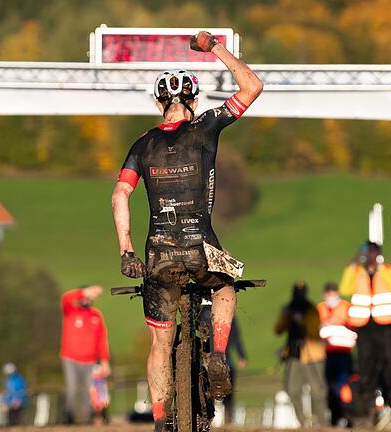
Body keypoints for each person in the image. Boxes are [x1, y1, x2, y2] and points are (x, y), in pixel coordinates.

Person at [111, 30, 263, 432]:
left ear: (159, 102)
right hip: (201, 248)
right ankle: (216, 352)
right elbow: (253, 86)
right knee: (226, 283)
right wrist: (213, 47)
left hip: (157, 255)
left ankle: (160, 421)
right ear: (193, 101)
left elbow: (119, 196)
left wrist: (127, 250)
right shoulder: (205, 127)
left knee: (160, 344)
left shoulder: (141, 145)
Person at [339, 241, 391, 427]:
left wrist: (381, 267)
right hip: (365, 328)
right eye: (367, 253)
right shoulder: (357, 273)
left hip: (385, 328)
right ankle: (368, 413)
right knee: (366, 371)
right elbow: (345, 288)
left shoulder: (387, 271)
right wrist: (354, 262)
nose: (369, 257)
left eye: (373, 253)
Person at [274, 281, 329, 427]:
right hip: (293, 355)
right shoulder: (288, 309)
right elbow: (278, 330)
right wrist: (286, 316)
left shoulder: (312, 310)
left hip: (313, 355)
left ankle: (323, 424)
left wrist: (301, 321)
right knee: (292, 390)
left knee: (318, 391)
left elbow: (313, 333)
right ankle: (303, 422)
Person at [60, 284, 111, 424]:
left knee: (89, 390)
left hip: (90, 360)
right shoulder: (70, 311)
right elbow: (65, 298)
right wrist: (84, 291)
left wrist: (105, 361)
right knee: (72, 388)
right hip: (70, 358)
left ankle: (86, 418)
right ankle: (69, 417)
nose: (86, 300)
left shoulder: (96, 315)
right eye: (84, 297)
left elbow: (102, 340)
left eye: (88, 298)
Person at [199, 307, 248, 424]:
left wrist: (241, 354)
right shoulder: (206, 311)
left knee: (227, 390)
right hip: (214, 357)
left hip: (220, 357)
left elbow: (235, 335)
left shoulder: (203, 311)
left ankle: (227, 419)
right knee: (213, 389)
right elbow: (236, 335)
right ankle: (217, 418)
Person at [316, 282, 355, 426]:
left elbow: (354, 325)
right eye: (329, 294)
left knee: (344, 386)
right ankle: (334, 417)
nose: (331, 297)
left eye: (334, 294)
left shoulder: (345, 307)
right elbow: (315, 328)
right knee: (330, 386)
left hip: (344, 352)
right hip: (327, 354)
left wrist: (340, 322)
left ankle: (349, 416)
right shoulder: (320, 308)